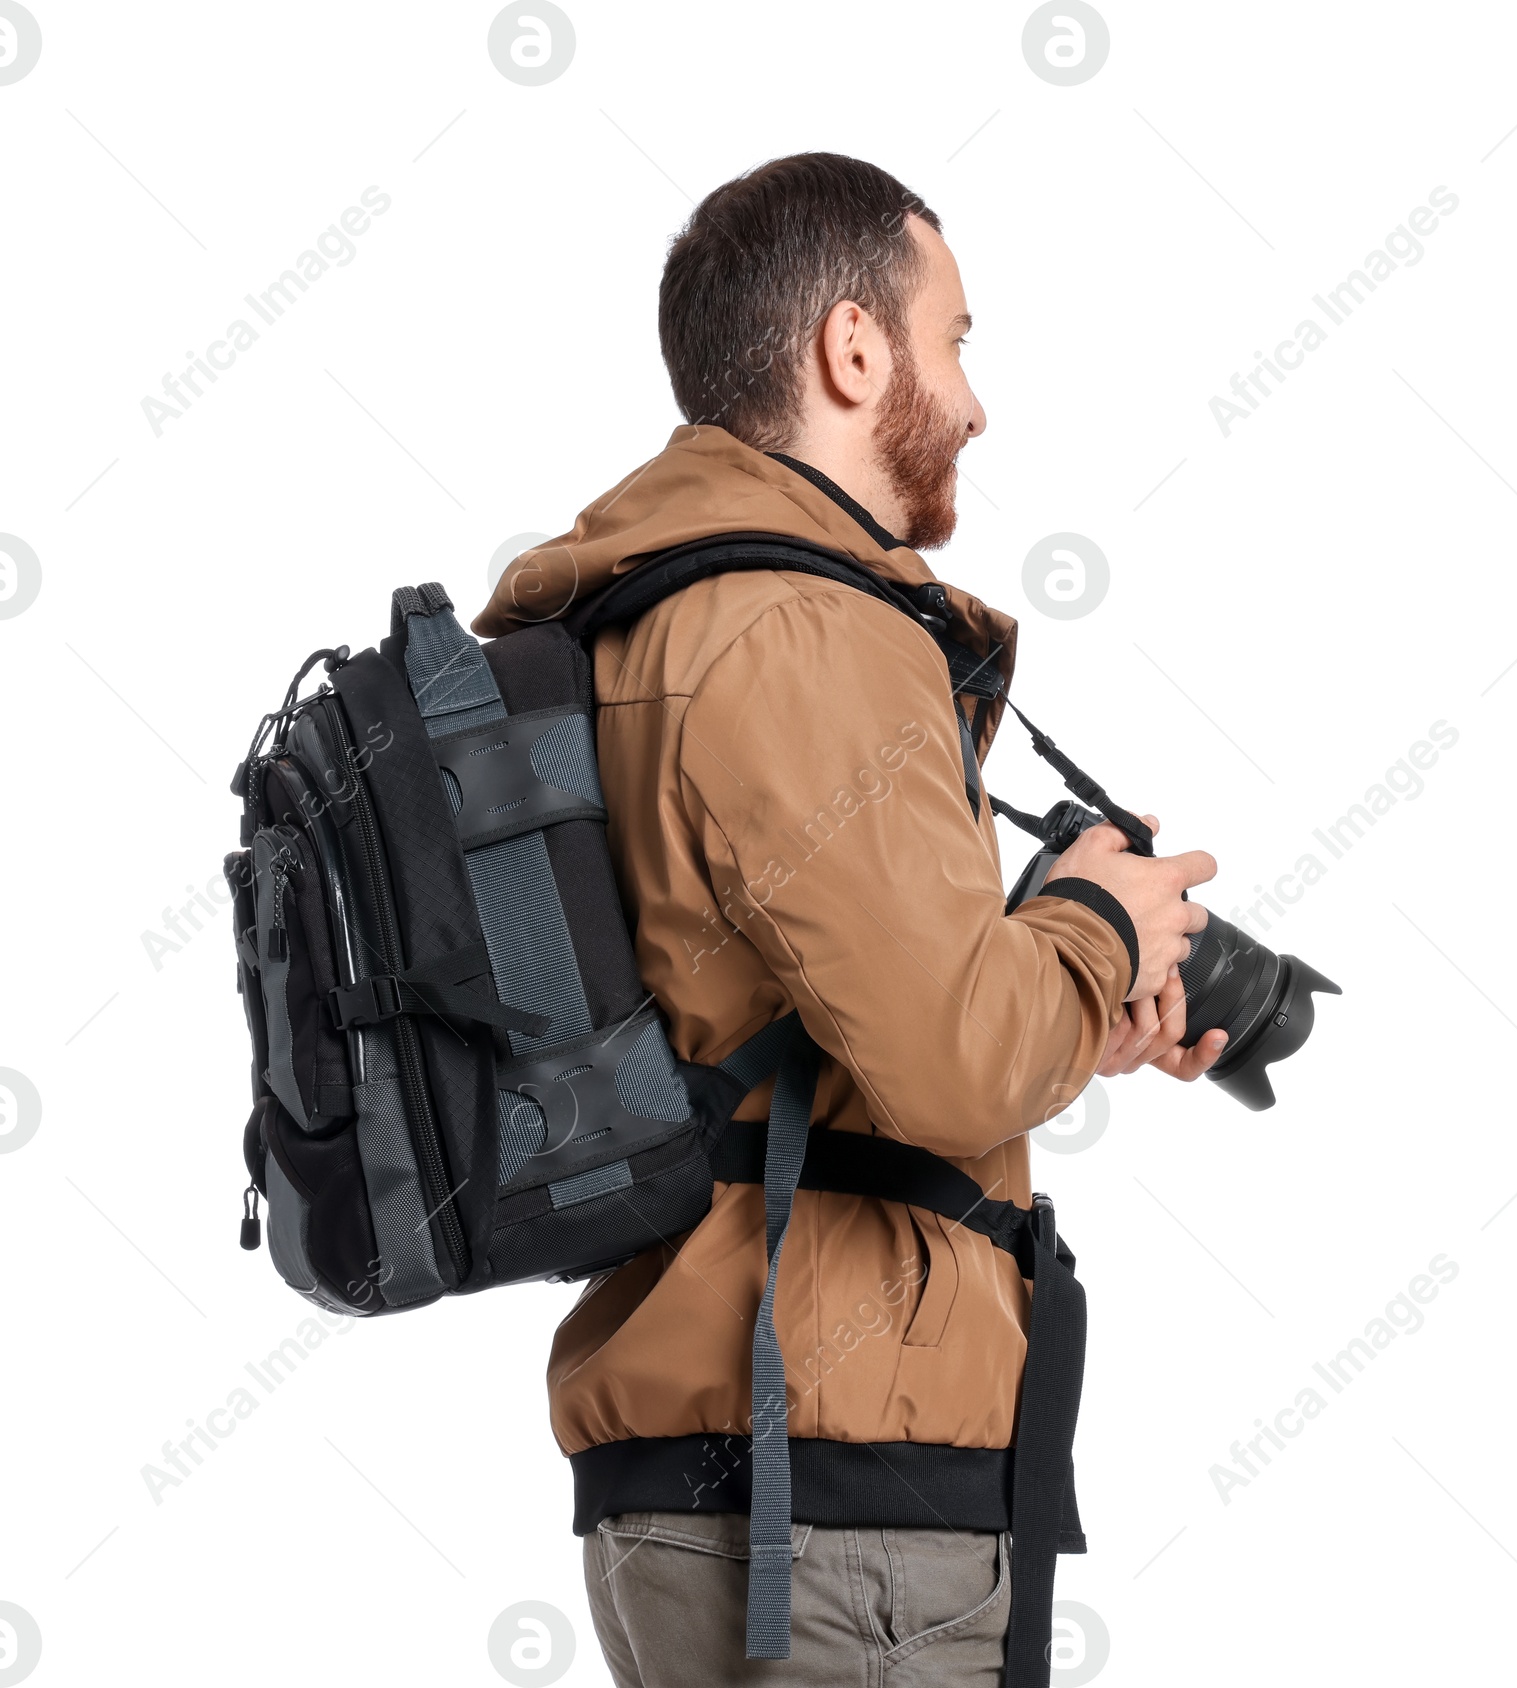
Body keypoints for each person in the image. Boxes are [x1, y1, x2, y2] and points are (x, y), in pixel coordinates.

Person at [473, 151, 1224, 1688]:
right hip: (832, 1509)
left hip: (722, 1473)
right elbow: (951, 1065)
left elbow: (781, 1007)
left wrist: (1082, 991)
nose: (973, 400)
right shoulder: (812, 621)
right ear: (853, 348)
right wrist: (1089, 924)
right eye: (955, 341)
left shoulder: (642, 606)